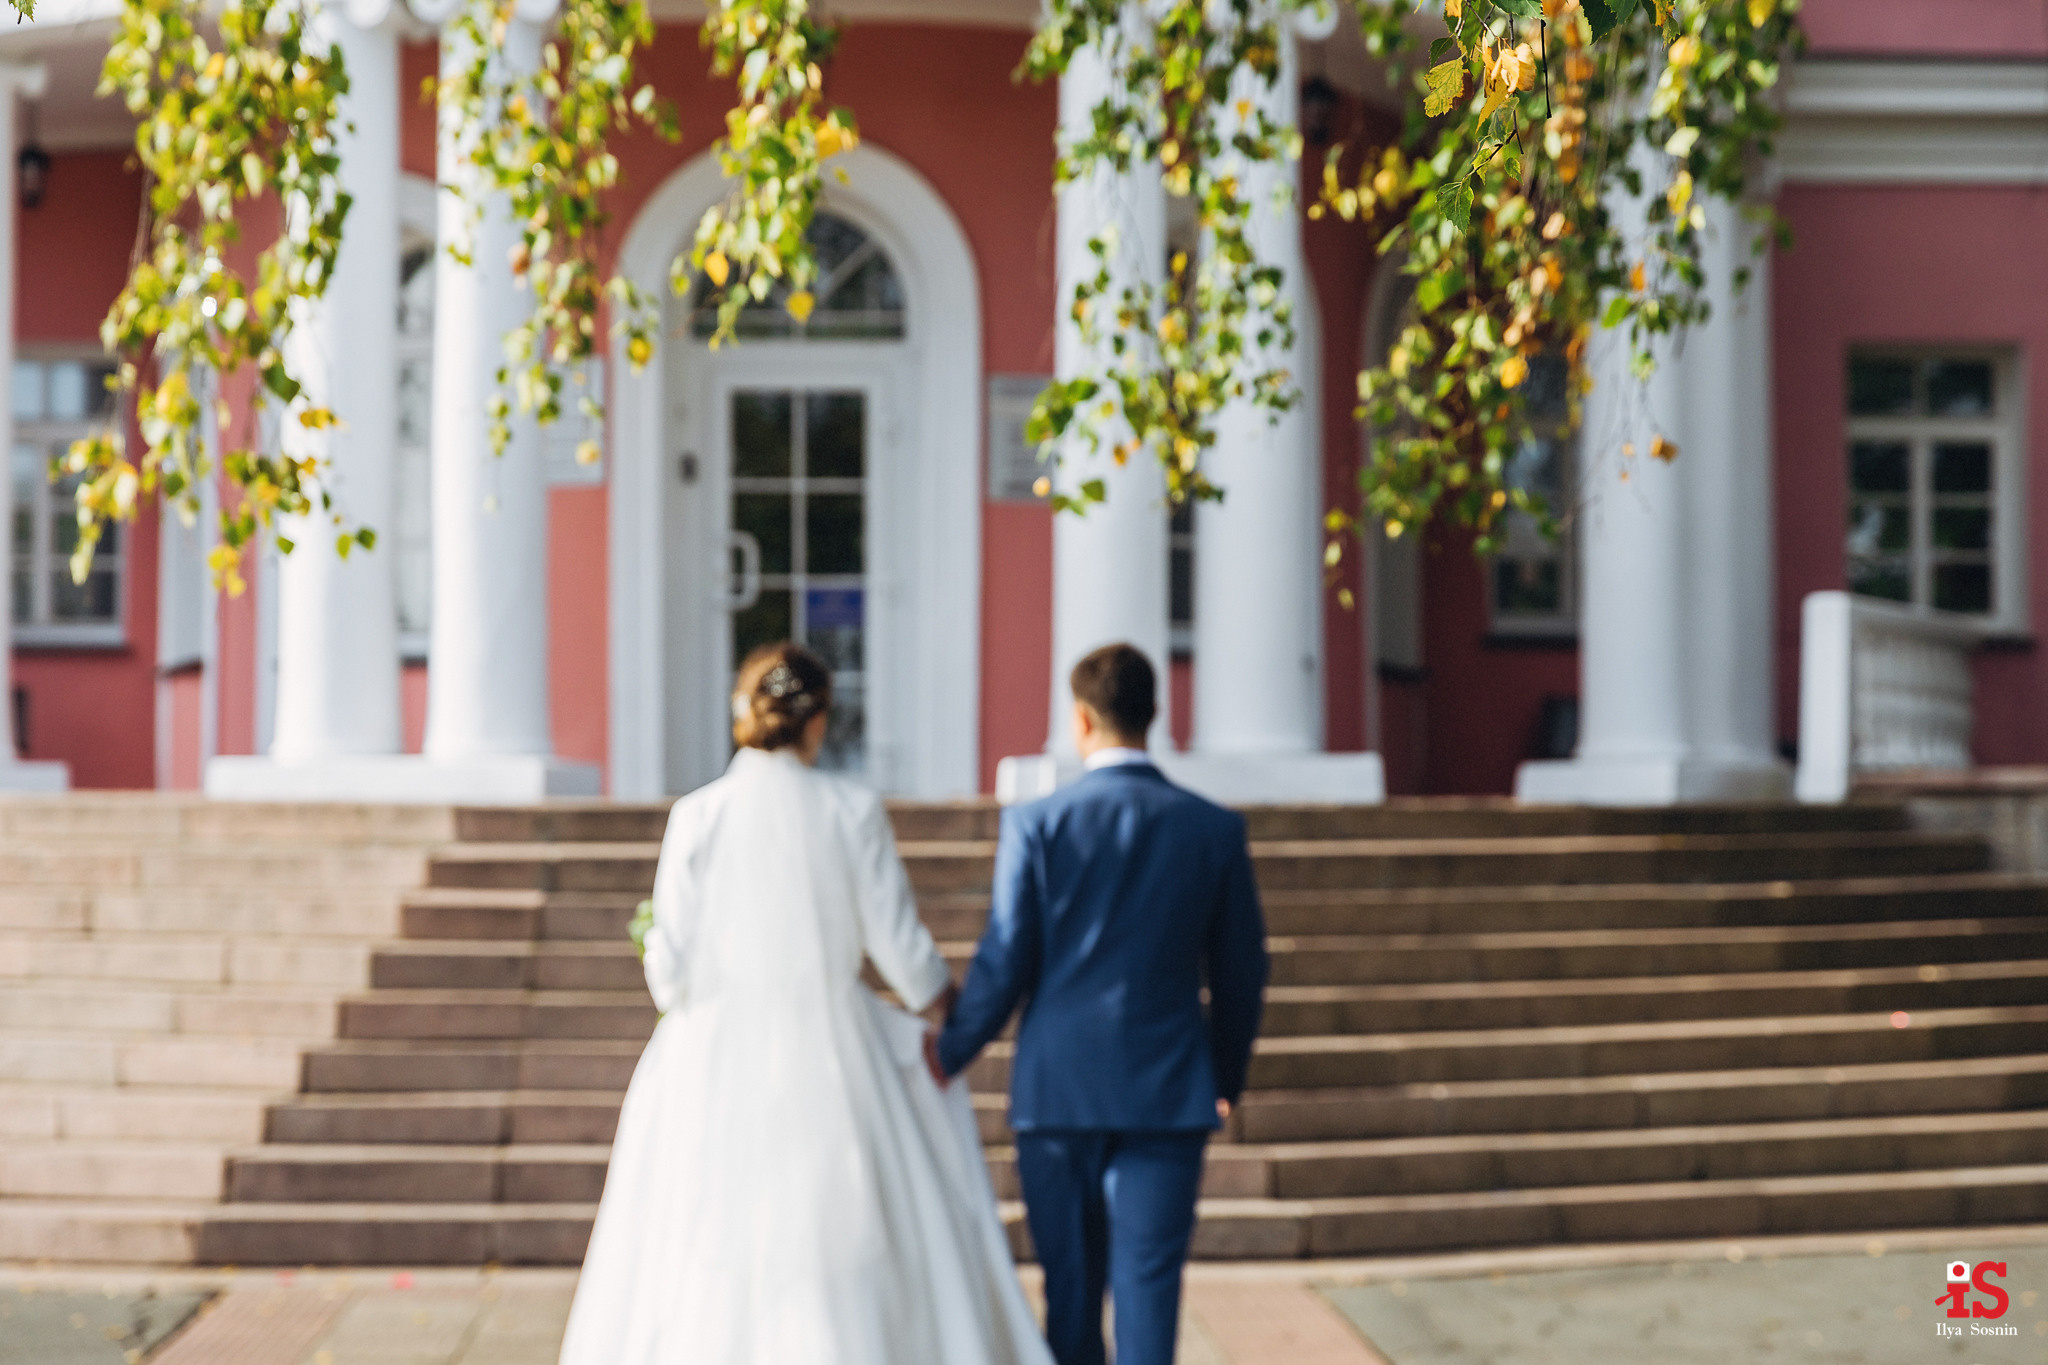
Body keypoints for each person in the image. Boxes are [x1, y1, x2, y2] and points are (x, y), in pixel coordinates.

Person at [558, 642, 1051, 1365]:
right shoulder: (849, 808)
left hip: (709, 1050)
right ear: (818, 718)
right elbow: (896, 941)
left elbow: (669, 967)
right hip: (832, 1047)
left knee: (691, 1238)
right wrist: (941, 1000)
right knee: (845, 1234)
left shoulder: (697, 815)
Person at [932, 642, 1270, 1365]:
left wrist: (952, 1049)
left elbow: (1006, 956)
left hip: (1057, 1094)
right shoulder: (1213, 828)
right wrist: (1225, 1077)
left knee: (1072, 1297)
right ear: (1154, 714)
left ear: (1081, 718)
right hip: (1169, 1092)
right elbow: (1242, 970)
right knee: (1150, 1291)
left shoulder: (1037, 823)